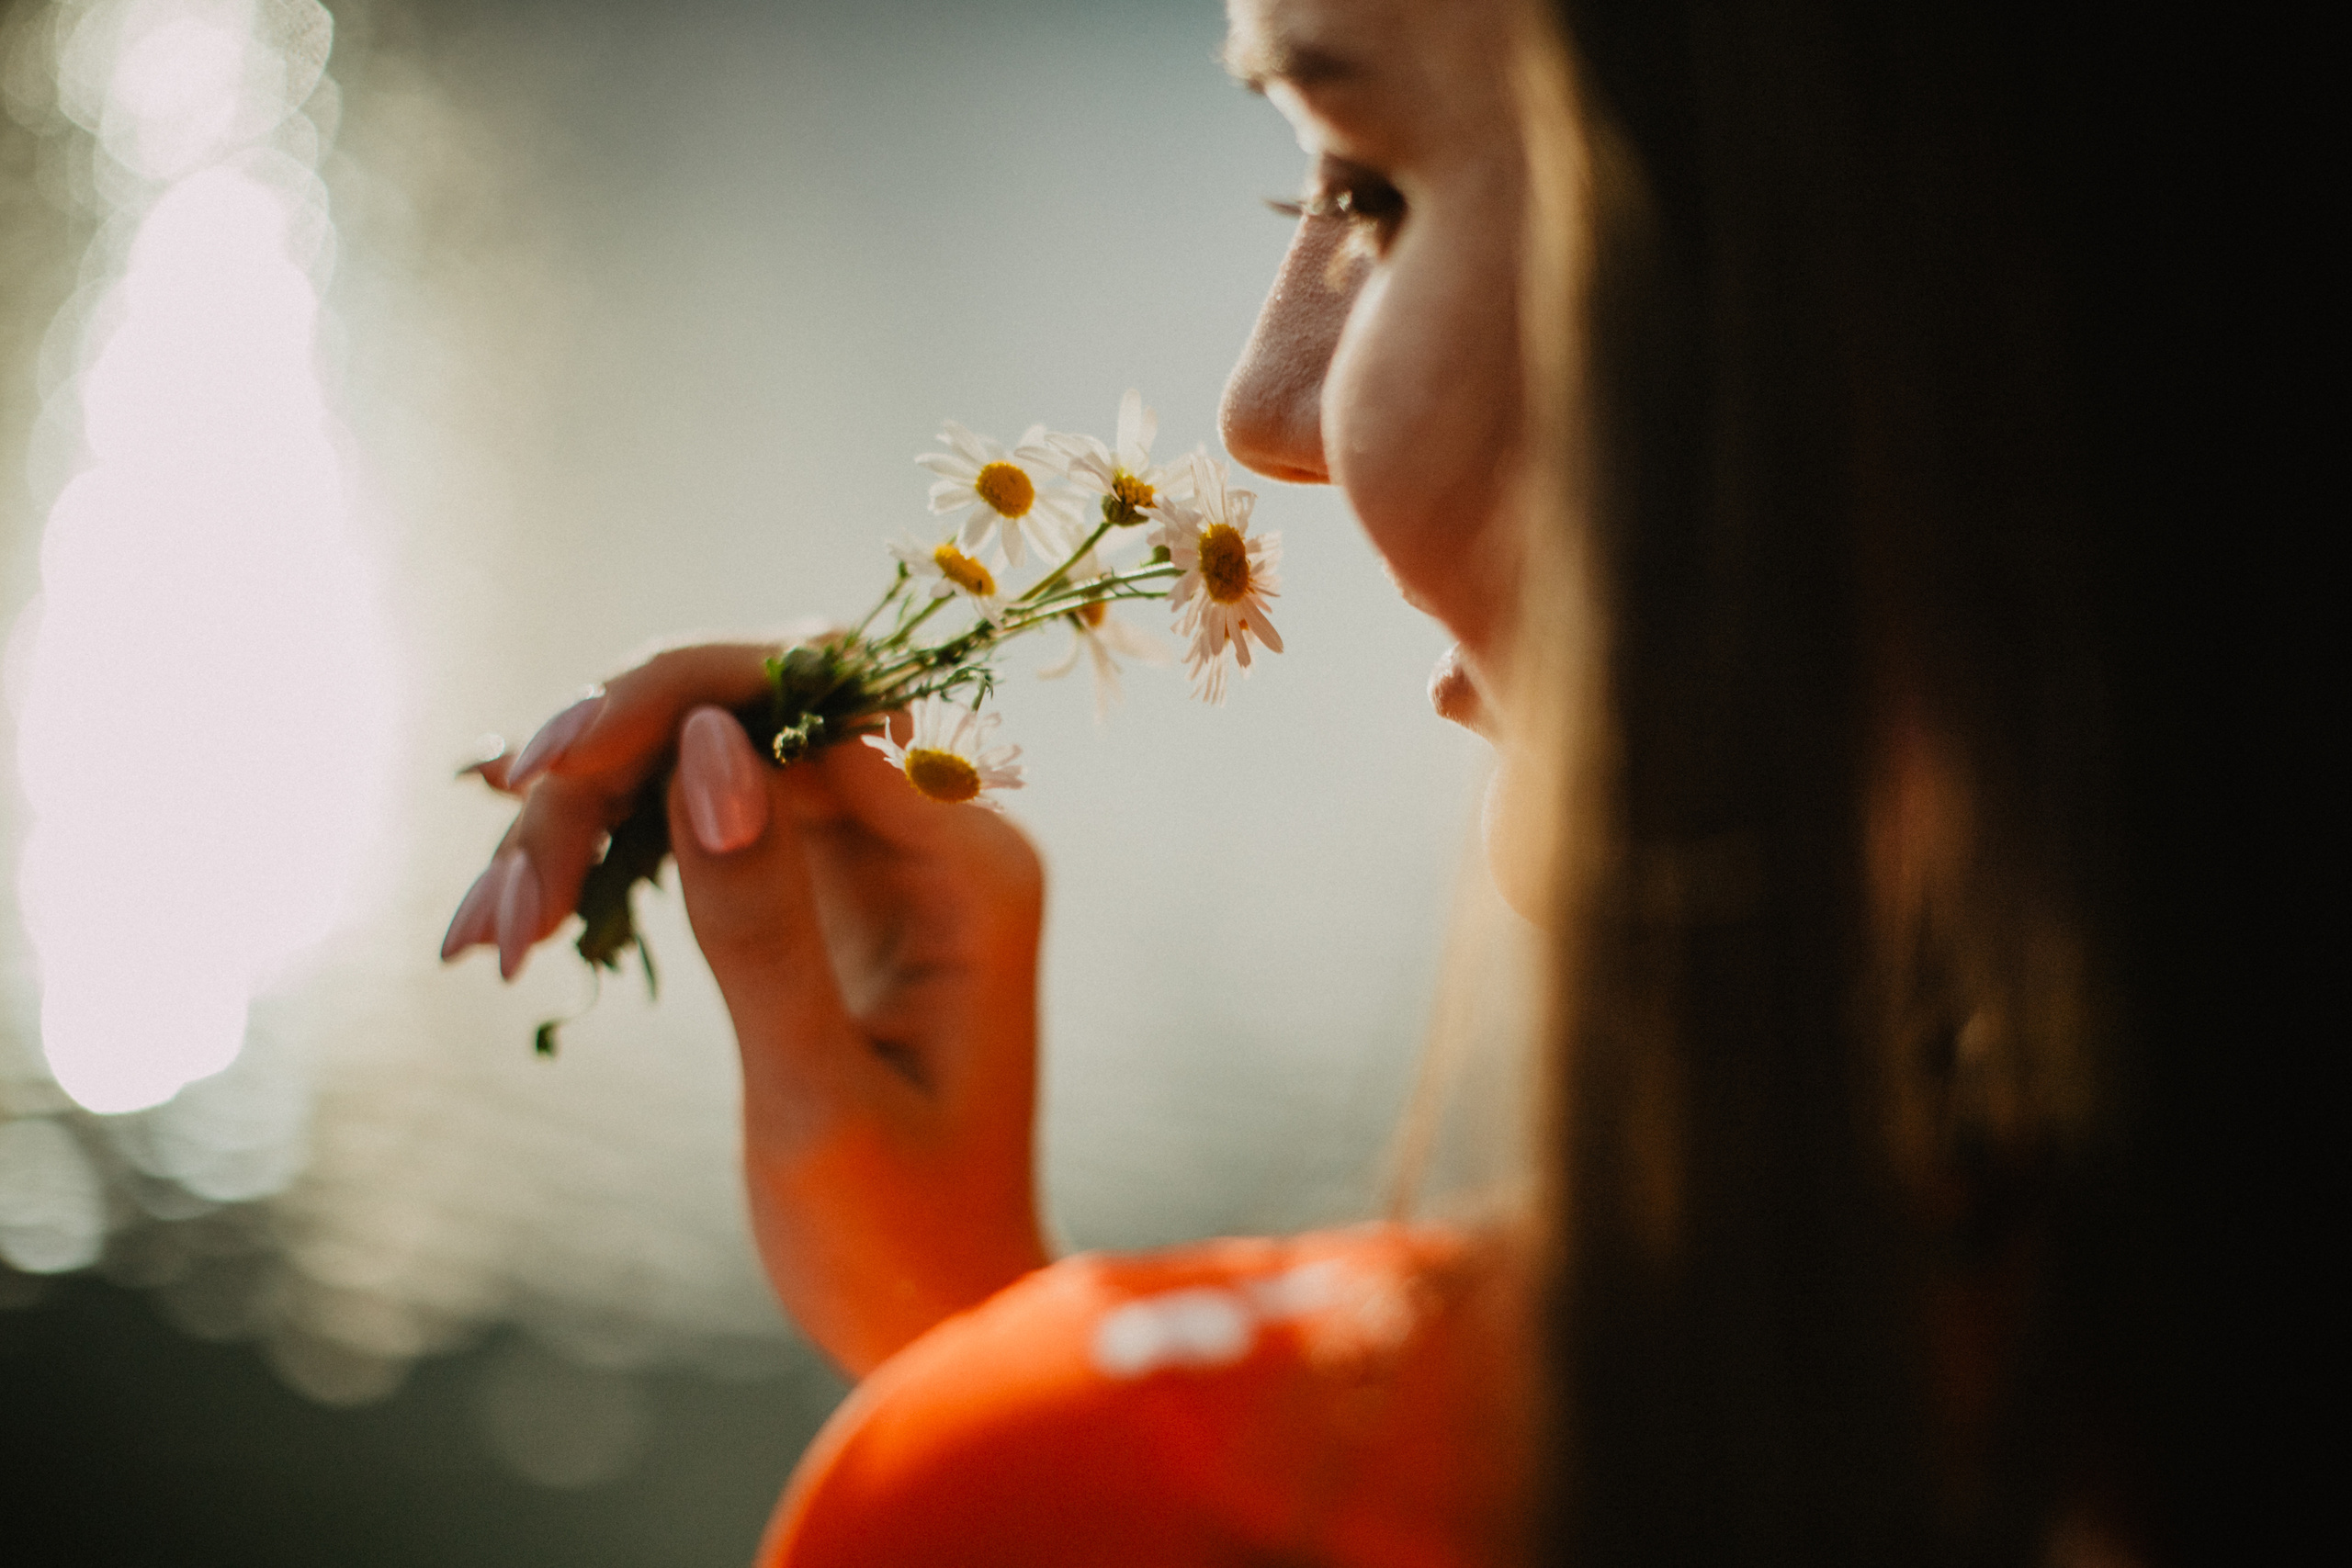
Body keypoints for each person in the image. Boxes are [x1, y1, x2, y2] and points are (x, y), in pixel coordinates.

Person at [447, 0, 2229, 1561]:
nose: (1262, 407)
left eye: (1368, 188)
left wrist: (1035, 1439)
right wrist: (976, 1325)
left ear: (1870, 273)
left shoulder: (1051, 1500)